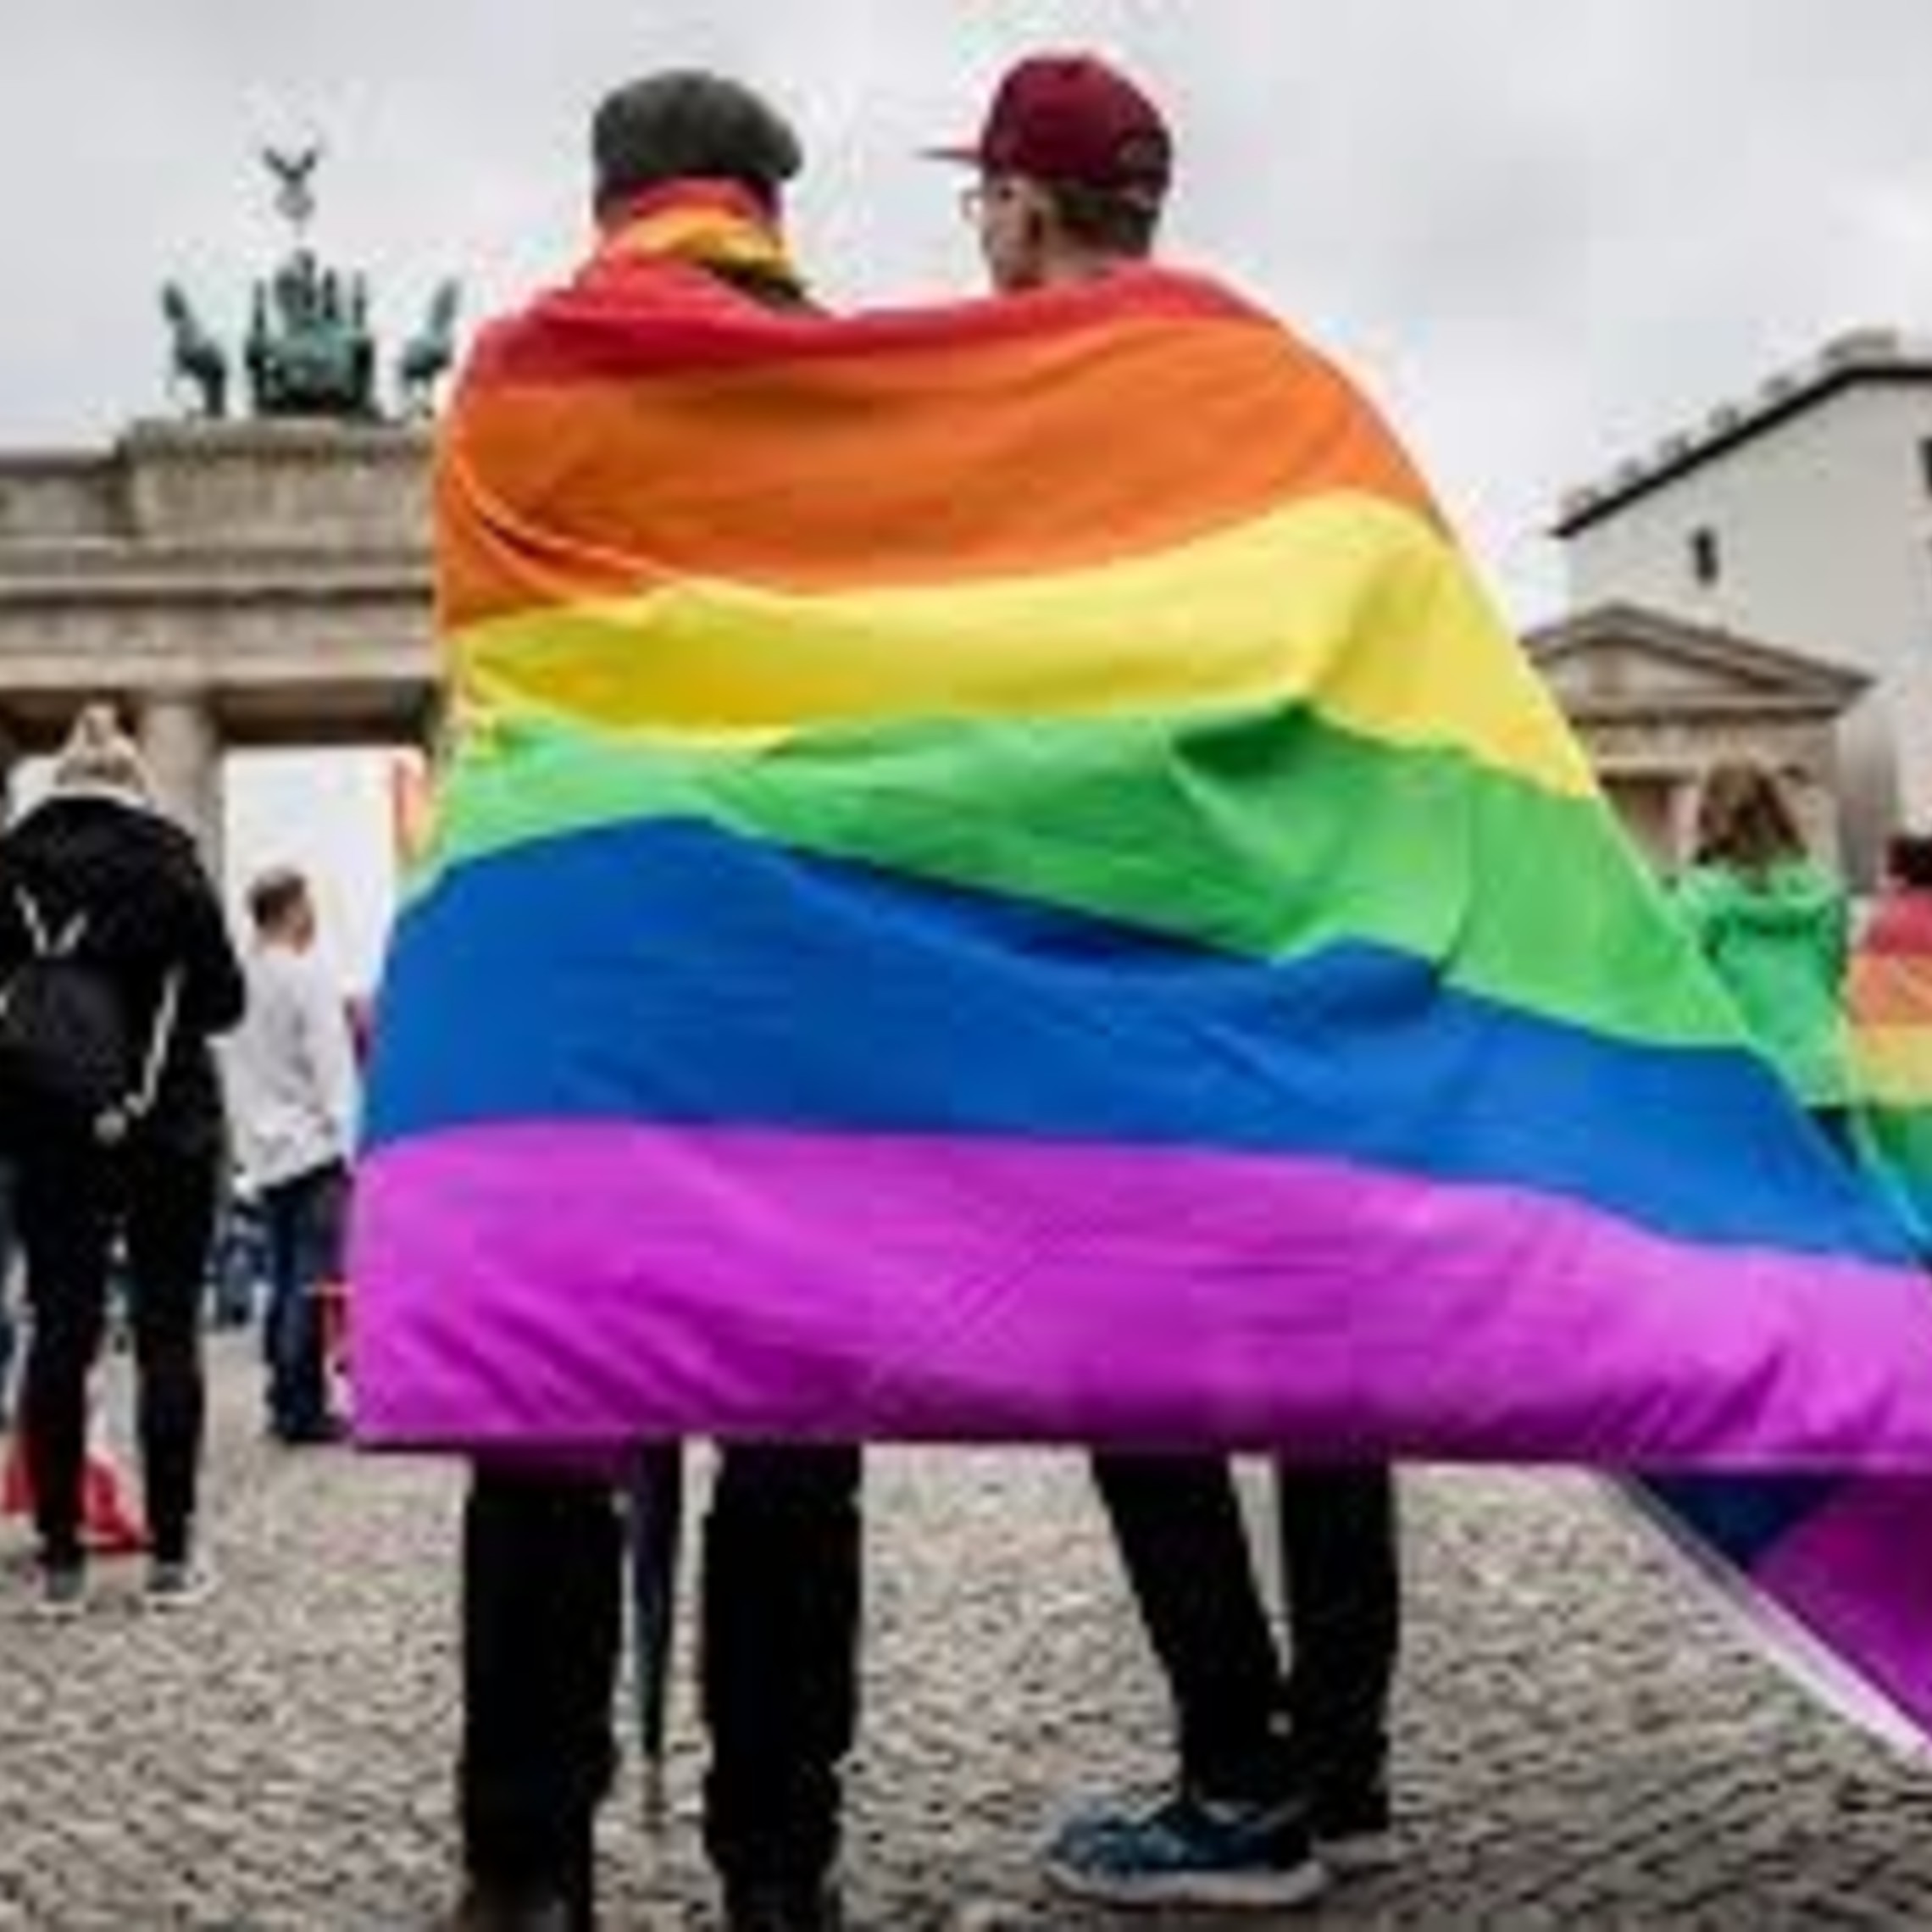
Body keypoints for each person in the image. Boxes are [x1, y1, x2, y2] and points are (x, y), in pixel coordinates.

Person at [935, 54, 1402, 1911]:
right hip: (1299, 949)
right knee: (1326, 1373)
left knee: (1124, 1357)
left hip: (1119, 963)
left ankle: (1238, 1780)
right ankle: (1344, 1777)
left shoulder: (1013, 404)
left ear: (1024, 206)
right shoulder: (1277, 384)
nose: (973, 228)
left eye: (978, 197)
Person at [449, 73, 859, 1932]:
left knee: (548, 1437)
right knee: (789, 1449)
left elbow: (490, 646)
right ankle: (777, 1860)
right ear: (771, 199)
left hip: (567, 961)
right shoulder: (863, 386)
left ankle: (527, 1861)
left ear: (608, 193)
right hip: (789, 968)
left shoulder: (517, 375)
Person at [0, 703, 244, 1612]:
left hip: (47, 1127)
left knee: (56, 1334)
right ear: (132, 783)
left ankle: (61, 1561)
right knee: (167, 1334)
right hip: (163, 1125)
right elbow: (222, 1003)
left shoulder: (11, 868)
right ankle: (172, 1559)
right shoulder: (171, 865)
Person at [221, 868, 359, 1445]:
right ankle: (302, 1410)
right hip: (314, 1148)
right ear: (295, 910)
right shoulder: (306, 978)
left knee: (281, 1281)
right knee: (312, 1283)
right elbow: (335, 1073)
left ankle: (282, 1399)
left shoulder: (239, 979)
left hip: (263, 1151)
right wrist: (354, 1151)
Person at [1676, 758, 1852, 1135]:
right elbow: (1833, 975)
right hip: (1825, 1076)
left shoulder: (1699, 896)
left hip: (1744, 1080)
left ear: (1709, 816)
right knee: (1825, 1193)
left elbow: (1686, 989)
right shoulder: (1824, 889)